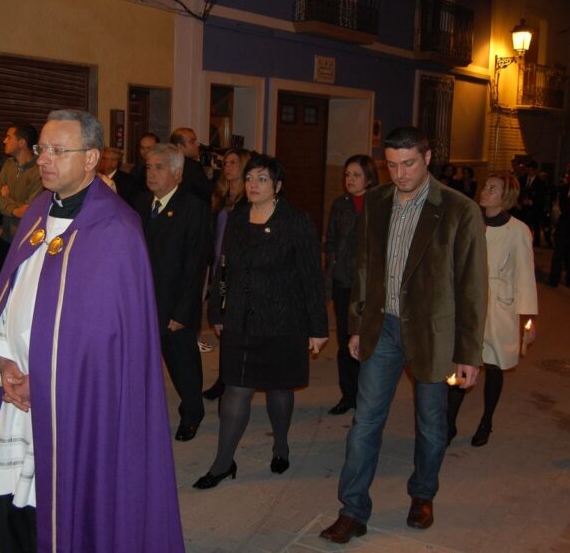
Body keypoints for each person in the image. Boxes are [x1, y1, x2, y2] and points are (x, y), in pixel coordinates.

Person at [0, 110, 184, 553]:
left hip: (77, 406)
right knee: (13, 506)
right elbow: (9, 298)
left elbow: (107, 344)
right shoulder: (37, 211)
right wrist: (4, 362)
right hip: (15, 391)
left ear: (92, 157)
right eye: (42, 149)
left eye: (60, 151)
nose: (45, 160)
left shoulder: (117, 230)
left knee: (64, 512)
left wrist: (47, 383)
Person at [319, 127, 487, 543]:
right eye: (391, 165)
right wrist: (356, 326)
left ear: (428, 158)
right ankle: (353, 509)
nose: (400, 173)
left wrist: (469, 353)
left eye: (408, 163)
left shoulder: (458, 209)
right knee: (365, 424)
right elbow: (363, 269)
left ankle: (422, 494)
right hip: (383, 328)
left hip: (433, 334)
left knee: (431, 424)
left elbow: (471, 286)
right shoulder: (375, 203)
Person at [194, 154, 328, 489]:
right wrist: (218, 312)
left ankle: (280, 444)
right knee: (235, 390)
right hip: (241, 317)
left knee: (279, 388)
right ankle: (223, 462)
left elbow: (312, 276)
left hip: (283, 319)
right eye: (250, 177)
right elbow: (223, 267)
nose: (253, 184)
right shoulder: (236, 217)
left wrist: (318, 327)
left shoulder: (297, 221)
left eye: (262, 179)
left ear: (278, 186)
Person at [446, 173, 538, 447]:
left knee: (494, 366)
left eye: (492, 188)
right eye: (485, 186)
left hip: (499, 308)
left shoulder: (518, 231)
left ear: (506, 196)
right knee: (462, 362)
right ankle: (448, 423)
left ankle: (486, 422)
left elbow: (525, 276)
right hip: (467, 303)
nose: (484, 190)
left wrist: (528, 319)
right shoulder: (470, 220)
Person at [135, 144, 211, 442]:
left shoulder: (193, 209)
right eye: (149, 167)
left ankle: (192, 412)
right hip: (142, 301)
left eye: (159, 167)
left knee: (182, 364)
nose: (151, 173)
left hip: (174, 303)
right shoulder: (141, 203)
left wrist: (183, 312)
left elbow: (195, 265)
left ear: (177, 173)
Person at [324, 154, 378, 416]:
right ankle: (348, 395)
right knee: (345, 342)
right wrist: (331, 275)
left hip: (370, 286)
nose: (350, 180)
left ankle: (368, 395)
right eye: (347, 175)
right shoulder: (340, 204)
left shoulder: (380, 203)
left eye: (356, 175)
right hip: (344, 283)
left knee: (369, 341)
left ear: (369, 177)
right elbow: (331, 242)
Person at [202, 147, 252, 399]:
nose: (227, 167)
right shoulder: (221, 195)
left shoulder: (249, 198)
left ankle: (231, 378)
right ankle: (224, 377)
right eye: (226, 163)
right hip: (219, 266)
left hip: (236, 269)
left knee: (233, 326)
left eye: (233, 162)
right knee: (221, 323)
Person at [0, 122, 43, 247]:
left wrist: (7, 199)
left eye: (9, 137)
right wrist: (14, 210)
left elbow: (29, 210)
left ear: (21, 142)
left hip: (27, 238)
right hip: (6, 236)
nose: (4, 141)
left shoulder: (39, 170)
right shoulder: (8, 164)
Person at [170, 127, 213, 204]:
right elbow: (208, 194)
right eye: (192, 142)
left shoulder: (168, 162)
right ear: (180, 146)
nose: (198, 144)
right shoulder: (193, 167)